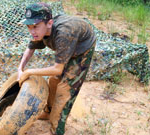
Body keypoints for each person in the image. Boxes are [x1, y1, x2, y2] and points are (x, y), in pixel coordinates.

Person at [17, 2, 96, 135]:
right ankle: (49, 112)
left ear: (49, 23)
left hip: (82, 48)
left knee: (64, 89)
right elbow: (31, 48)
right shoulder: (41, 31)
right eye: (29, 27)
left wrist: (29, 71)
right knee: (53, 81)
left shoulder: (64, 33)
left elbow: (58, 69)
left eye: (35, 26)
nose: (32, 31)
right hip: (69, 43)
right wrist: (20, 68)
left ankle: (57, 130)